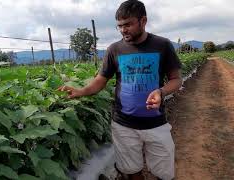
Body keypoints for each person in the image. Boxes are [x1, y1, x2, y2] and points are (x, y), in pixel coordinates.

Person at [58, 0, 182, 179]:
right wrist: (80, 91)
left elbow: (176, 79)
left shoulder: (162, 45)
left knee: (164, 174)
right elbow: (101, 79)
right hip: (123, 124)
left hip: (156, 123)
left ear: (143, 21)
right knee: (131, 172)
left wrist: (161, 92)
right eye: (120, 26)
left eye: (128, 24)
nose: (124, 30)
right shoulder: (114, 49)